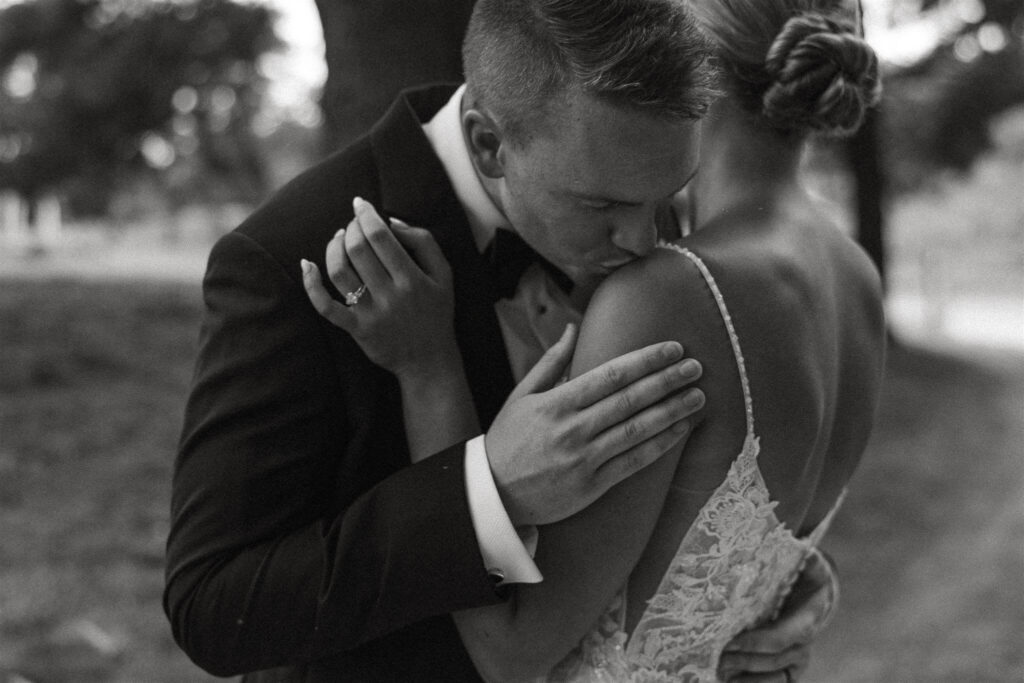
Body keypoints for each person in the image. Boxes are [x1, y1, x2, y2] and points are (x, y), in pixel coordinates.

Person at [302, 0, 886, 680]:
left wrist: (429, 370)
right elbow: (751, 543)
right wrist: (811, 582)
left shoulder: (671, 297)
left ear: (687, 60)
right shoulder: (854, 274)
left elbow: (511, 648)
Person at [165, 1, 719, 680]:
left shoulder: (633, 174)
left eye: (669, 195)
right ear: (489, 143)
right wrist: (488, 492)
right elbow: (215, 607)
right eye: (600, 206)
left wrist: (755, 591)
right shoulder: (287, 256)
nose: (645, 241)